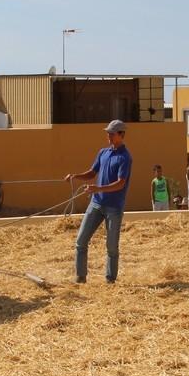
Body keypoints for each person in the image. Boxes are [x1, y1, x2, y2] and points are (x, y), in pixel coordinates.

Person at [64, 119, 133, 283]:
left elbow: (120, 183)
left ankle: (110, 280)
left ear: (121, 135)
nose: (108, 136)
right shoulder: (103, 152)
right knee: (81, 241)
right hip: (96, 203)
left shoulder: (125, 157)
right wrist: (75, 176)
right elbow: (91, 173)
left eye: (112, 133)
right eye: (108, 133)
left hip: (114, 207)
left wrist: (98, 189)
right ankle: (80, 278)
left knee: (111, 247)